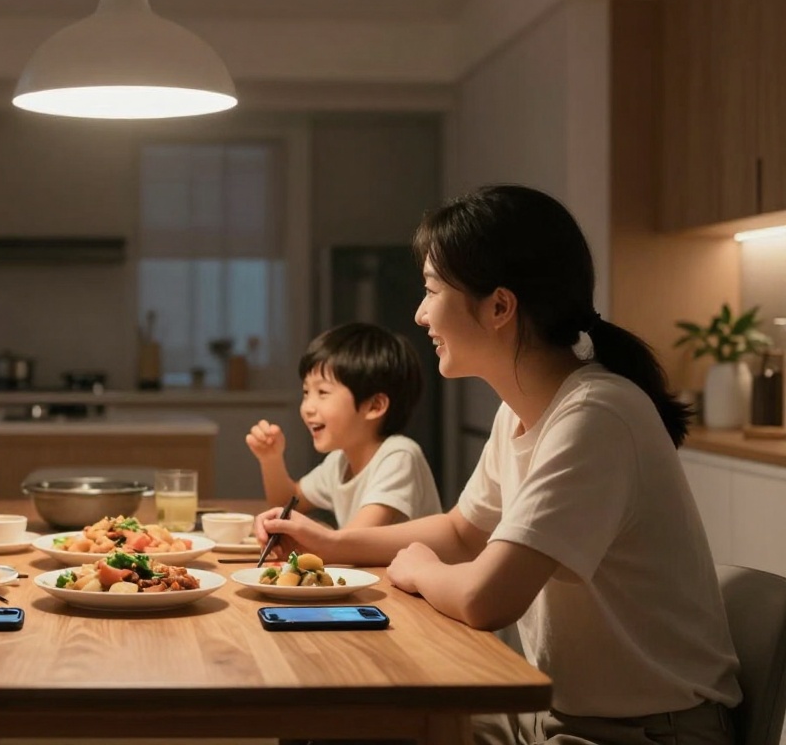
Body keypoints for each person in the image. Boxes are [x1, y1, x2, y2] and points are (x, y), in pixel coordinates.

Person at [256, 185, 741, 745]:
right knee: (342, 722)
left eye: (431, 291)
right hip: (557, 715)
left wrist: (418, 568)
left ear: (499, 307)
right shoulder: (519, 413)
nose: (419, 314)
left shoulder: (596, 415)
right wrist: (330, 543)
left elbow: (486, 599)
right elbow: (463, 530)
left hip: (647, 731)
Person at [245, 322, 440, 530]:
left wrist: (310, 533)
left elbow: (356, 541)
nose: (307, 407)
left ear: (374, 406)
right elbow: (288, 502)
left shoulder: (399, 456)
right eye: (306, 392)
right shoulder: (339, 461)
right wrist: (271, 459)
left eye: (323, 393)